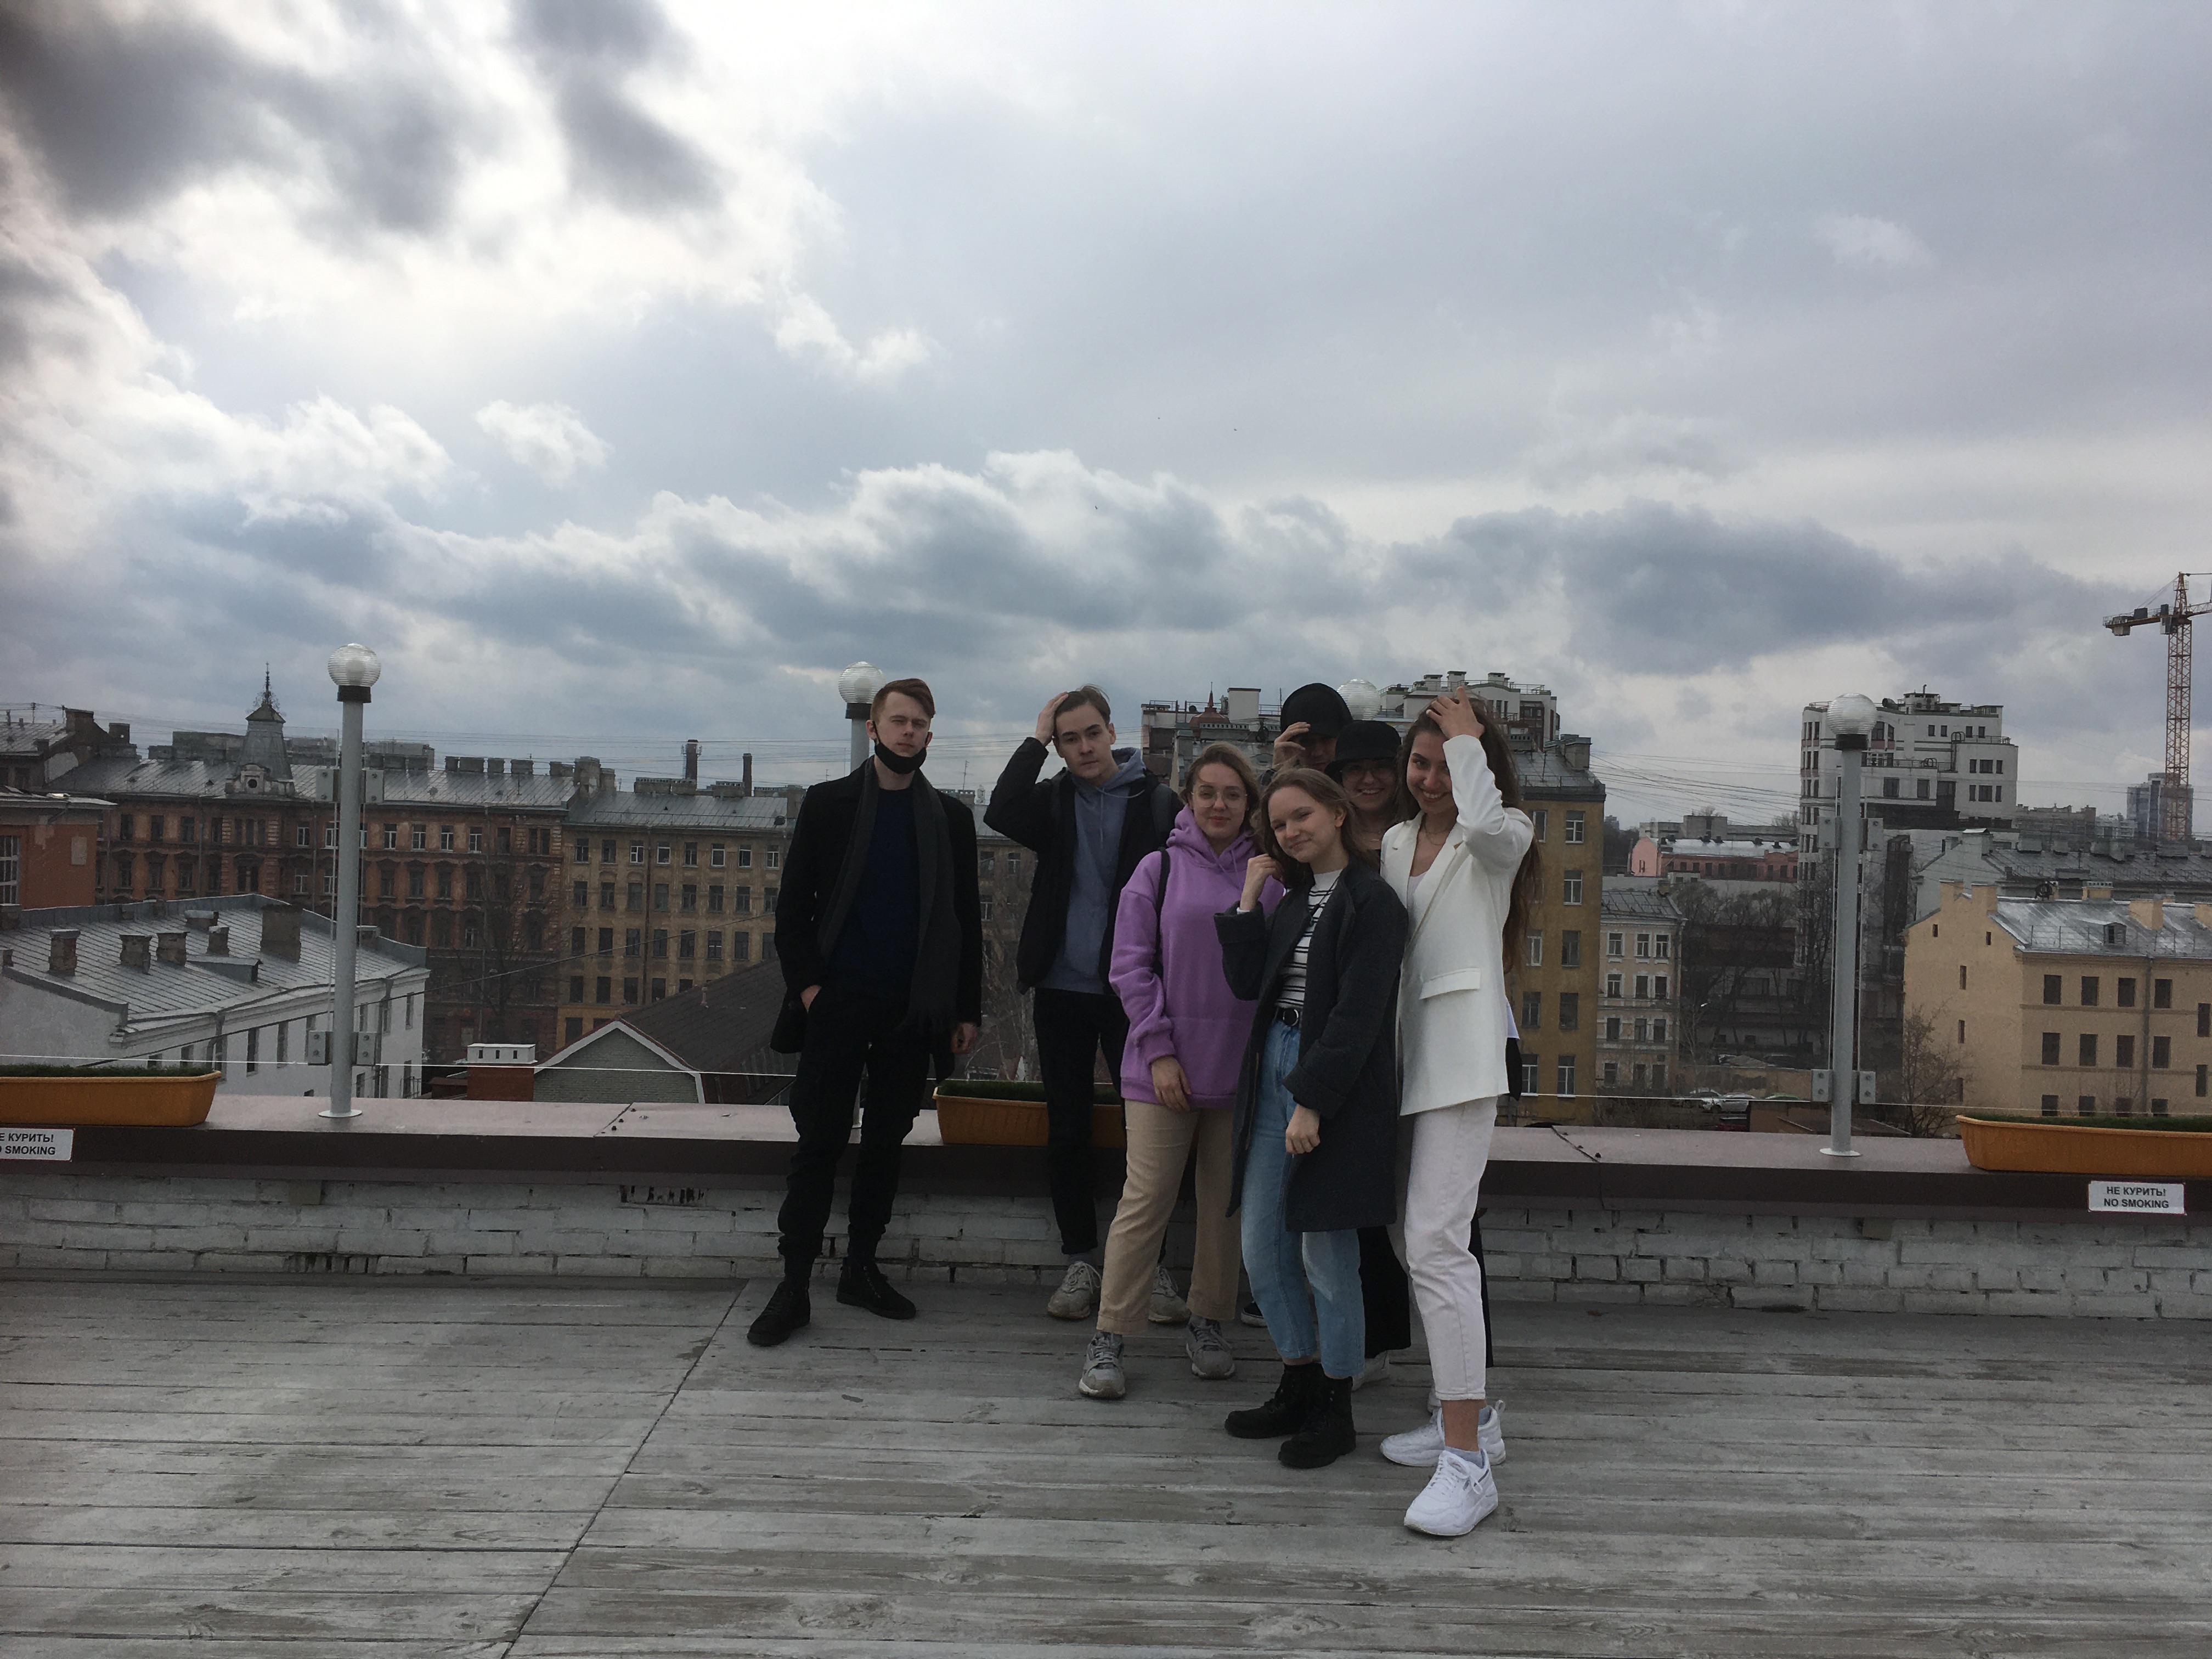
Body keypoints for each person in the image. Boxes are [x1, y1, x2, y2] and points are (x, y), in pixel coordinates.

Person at [748, 678, 983, 1347]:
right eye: (898, 721)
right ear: (873, 728)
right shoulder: (830, 805)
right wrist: (812, 992)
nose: (909, 732)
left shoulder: (950, 819)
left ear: (930, 734)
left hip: (914, 1009)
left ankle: (861, 1269)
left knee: (885, 1144)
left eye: (920, 723)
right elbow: (793, 911)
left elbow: (964, 920)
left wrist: (965, 1009)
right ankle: (794, 1285)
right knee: (818, 1143)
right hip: (839, 1004)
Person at [1376, 686, 1540, 1535]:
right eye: (1421, 762)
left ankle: (1468, 1464)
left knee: (1438, 1244)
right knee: (1412, 1239)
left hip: (1463, 1063)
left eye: (1447, 765)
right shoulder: (1396, 840)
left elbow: (1483, 824)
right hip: (1401, 1063)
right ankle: (1462, 1416)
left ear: (1477, 766)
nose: (1430, 779)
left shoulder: (1503, 835)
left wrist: (1470, 737)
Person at [1216, 768, 1407, 1469]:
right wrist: (1248, 901)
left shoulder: (1373, 902)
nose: (1292, 831)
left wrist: (1313, 1100)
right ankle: (1297, 1380)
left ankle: (1335, 1404)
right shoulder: (1295, 900)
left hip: (1332, 1084)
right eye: (1280, 824)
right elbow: (1248, 984)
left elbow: (1359, 1016)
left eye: (1303, 816)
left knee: (1328, 1257)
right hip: (1272, 1066)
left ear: (1336, 813)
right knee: (1263, 1250)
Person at [1079, 744, 1281, 1400]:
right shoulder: (1157, 869)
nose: (1219, 804)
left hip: (1241, 1071)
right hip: (1161, 1068)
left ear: (1249, 804)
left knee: (1224, 1207)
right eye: (1207, 792)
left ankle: (1209, 1321)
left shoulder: (1272, 878)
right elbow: (1129, 966)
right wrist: (1160, 1050)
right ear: (1188, 799)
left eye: (1233, 794)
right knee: (1146, 1202)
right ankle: (1111, 1332)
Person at [986, 686, 1180, 1321]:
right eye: (1069, 739)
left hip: (1135, 991)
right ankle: (1080, 1260)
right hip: (1061, 989)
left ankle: (1147, 1266)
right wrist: (1035, 736)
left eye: (1092, 733)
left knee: (1145, 1132)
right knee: (1066, 1127)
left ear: (1111, 732)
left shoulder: (1158, 804)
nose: (1085, 747)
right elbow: (1001, 809)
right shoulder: (1055, 800)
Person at [1325, 717, 1418, 1383]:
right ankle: (1367, 1343)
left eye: (1381, 766)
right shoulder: (1326, 838)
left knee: (1421, 1203)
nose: (1367, 779)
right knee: (1355, 1194)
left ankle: (1455, 1373)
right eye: (1353, 769)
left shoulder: (1419, 838)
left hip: (1417, 1030)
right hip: (1345, 1028)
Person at [1268, 682, 1352, 775]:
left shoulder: (1362, 782)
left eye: (1326, 739)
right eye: (1306, 742)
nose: (1318, 753)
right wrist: (1278, 772)